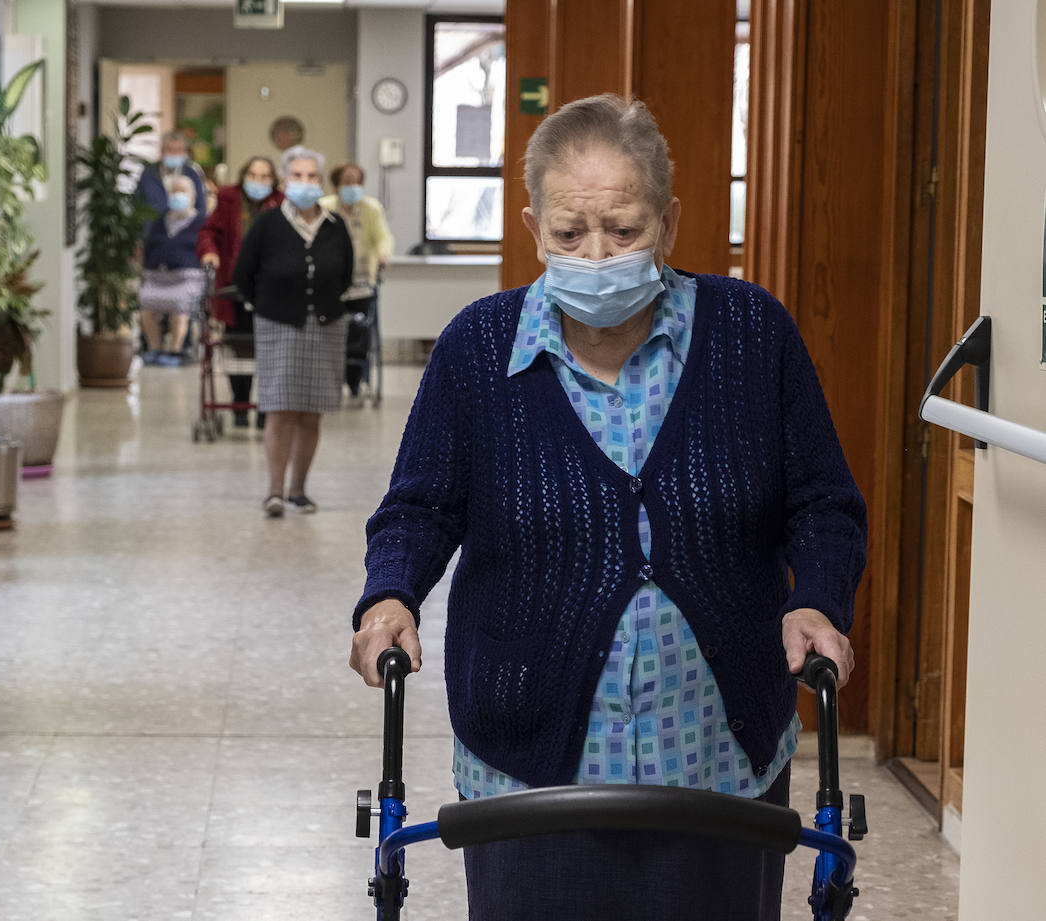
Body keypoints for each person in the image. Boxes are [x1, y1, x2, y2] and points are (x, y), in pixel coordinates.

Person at [348, 94, 868, 921]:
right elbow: (418, 507)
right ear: (532, 226)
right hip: (529, 761)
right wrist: (389, 595)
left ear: (668, 219)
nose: (596, 253)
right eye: (569, 232)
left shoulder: (750, 334)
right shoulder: (477, 348)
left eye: (624, 230)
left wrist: (818, 600)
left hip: (718, 760)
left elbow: (825, 503)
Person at [233, 145, 354, 518]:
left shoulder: (335, 227)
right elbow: (243, 277)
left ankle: (299, 490)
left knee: (311, 412)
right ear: (285, 181)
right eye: (298, 176)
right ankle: (274, 491)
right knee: (280, 410)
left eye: (312, 176)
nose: (305, 183)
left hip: (326, 325)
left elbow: (345, 276)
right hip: (278, 325)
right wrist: (272, 307)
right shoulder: (267, 224)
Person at [198, 156, 285, 426]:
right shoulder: (228, 198)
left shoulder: (282, 202)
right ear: (243, 175)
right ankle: (239, 405)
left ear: (272, 181)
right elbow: (208, 232)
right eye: (253, 175)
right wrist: (210, 252)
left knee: (268, 350)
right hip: (234, 287)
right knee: (238, 347)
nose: (258, 182)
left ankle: (264, 410)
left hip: (272, 291)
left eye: (264, 177)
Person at [320, 162, 394, 397]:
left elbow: (383, 236)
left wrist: (384, 254)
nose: (353, 186)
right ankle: (331, 378)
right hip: (331, 284)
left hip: (362, 282)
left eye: (357, 182)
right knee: (332, 331)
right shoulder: (324, 207)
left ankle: (354, 380)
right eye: (347, 182)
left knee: (359, 334)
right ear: (337, 184)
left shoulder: (371, 208)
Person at [137, 131, 208, 362]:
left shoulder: (191, 174)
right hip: (155, 245)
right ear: (162, 151)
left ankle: (180, 348)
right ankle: (153, 348)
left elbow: (202, 207)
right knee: (149, 299)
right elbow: (137, 205)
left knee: (181, 304)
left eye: (179, 151)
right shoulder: (149, 174)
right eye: (171, 150)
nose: (175, 155)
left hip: (185, 267)